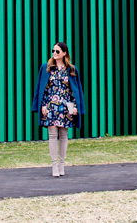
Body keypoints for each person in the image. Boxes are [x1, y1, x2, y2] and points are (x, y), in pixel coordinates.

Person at [31, 41, 85, 177]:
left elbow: (76, 90)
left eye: (57, 51)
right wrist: (42, 105)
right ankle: (54, 165)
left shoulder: (72, 69)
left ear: (64, 53)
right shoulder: (46, 68)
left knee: (64, 135)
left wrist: (76, 106)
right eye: (53, 51)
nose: (54, 54)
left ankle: (62, 164)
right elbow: (41, 88)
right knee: (52, 135)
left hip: (66, 106)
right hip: (51, 106)